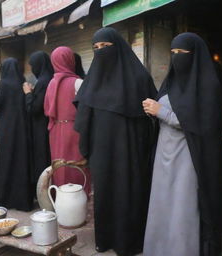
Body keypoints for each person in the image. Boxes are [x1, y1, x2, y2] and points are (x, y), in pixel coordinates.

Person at [143, 32, 222, 256]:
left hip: (188, 157)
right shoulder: (170, 82)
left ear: (196, 55)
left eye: (182, 53)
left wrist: (161, 111)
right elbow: (164, 113)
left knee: (182, 207)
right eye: (172, 53)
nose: (176, 58)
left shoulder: (208, 87)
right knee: (162, 205)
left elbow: (202, 124)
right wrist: (152, 111)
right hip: (164, 155)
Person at [74, 27, 157, 256]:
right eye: (96, 48)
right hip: (103, 152)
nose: (101, 52)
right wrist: (87, 149)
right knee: (107, 194)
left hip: (131, 151)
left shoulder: (139, 77)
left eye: (105, 47)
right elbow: (84, 119)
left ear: (118, 47)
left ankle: (130, 242)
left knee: (130, 192)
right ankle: (106, 239)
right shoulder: (92, 81)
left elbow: (152, 115)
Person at [44, 46, 91, 196]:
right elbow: (88, 109)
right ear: (70, 60)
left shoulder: (51, 84)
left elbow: (46, 109)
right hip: (74, 129)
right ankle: (79, 198)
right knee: (77, 165)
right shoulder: (78, 82)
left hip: (55, 130)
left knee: (60, 166)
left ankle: (61, 199)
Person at [0, 58, 33, 211]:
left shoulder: (3, 85)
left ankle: (4, 198)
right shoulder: (23, 84)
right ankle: (23, 201)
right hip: (23, 130)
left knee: (6, 161)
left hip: (6, 131)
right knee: (21, 162)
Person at [23, 51, 53, 194]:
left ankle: (44, 195)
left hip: (41, 128)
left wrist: (28, 94)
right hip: (50, 126)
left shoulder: (43, 81)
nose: (33, 70)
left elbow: (35, 108)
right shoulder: (50, 78)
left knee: (43, 161)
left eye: (33, 66)